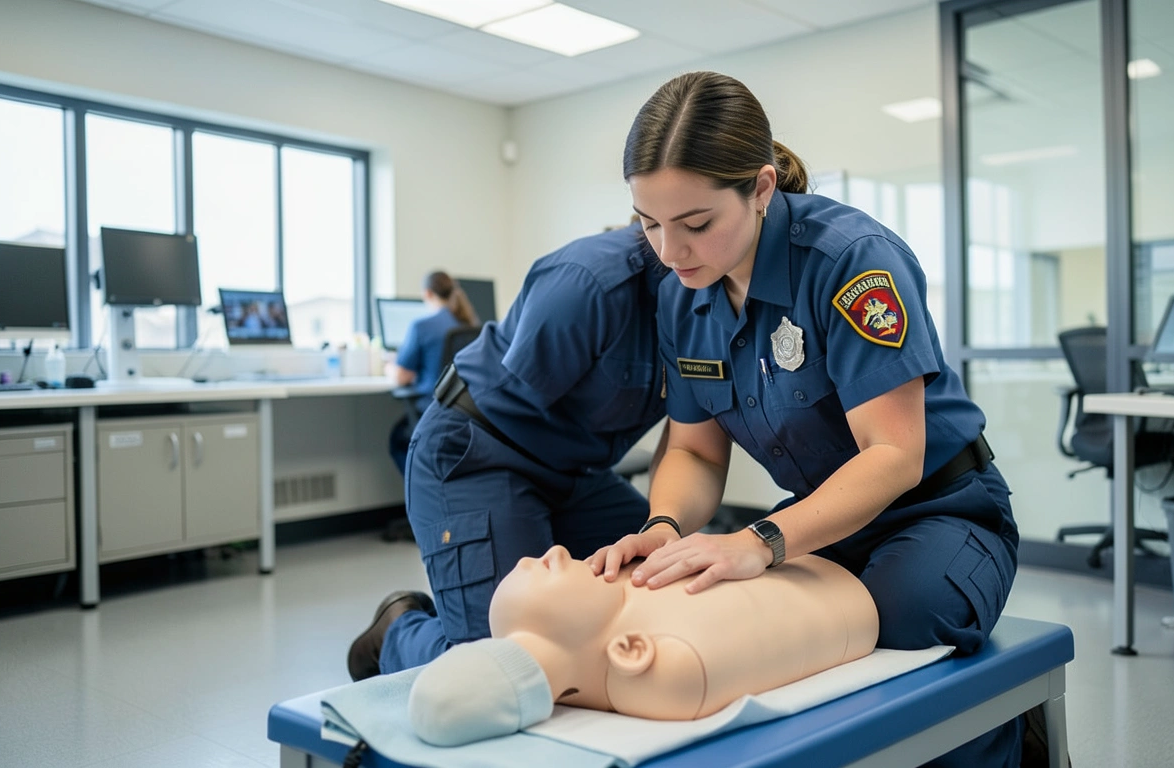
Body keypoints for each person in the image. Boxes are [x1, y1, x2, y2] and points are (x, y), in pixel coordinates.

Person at [587, 72, 1027, 768]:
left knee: (905, 617)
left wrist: (759, 541)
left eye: (696, 224)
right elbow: (696, 454)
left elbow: (892, 454)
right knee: (737, 620)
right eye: (649, 224)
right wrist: (663, 530)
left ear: (761, 189)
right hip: (822, 515)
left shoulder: (850, 262)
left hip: (940, 505)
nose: (670, 252)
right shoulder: (682, 298)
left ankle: (1005, 741)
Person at [348, 222, 669, 682]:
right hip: (480, 452)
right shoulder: (590, 281)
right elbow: (522, 409)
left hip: (575, 470)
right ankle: (398, 632)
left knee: (661, 597)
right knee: (507, 663)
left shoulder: (711, 302)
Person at [407, 545, 878, 746]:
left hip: (817, 562)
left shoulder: (624, 610)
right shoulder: (667, 669)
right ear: (631, 652)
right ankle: (400, 633)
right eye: (548, 568)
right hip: (842, 591)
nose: (551, 552)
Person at [386, 271, 479, 473]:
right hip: (463, 416)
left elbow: (401, 377)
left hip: (431, 412)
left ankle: (420, 492)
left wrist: (389, 367)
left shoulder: (421, 326)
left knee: (397, 440)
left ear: (427, 293)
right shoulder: (468, 324)